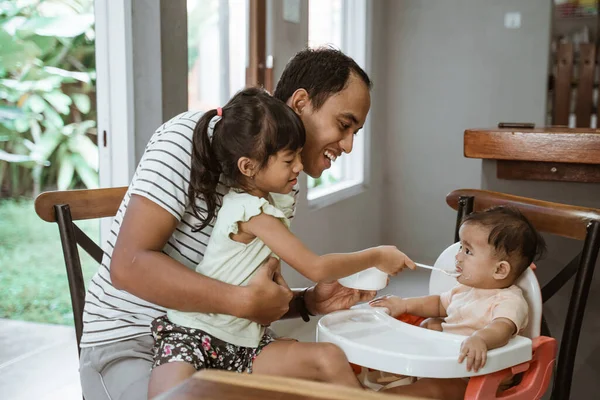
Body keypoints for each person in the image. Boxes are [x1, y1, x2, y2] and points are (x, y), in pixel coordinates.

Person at [79, 48, 380, 400]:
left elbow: (242, 292)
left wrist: (308, 303)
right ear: (300, 103)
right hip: (135, 341)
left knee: (331, 380)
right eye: (344, 125)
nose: (347, 145)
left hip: (225, 346)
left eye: (355, 132)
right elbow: (128, 267)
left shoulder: (279, 182)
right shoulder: (187, 140)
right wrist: (241, 302)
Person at [146, 87, 414, 397]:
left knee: (328, 357)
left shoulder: (276, 203)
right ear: (248, 167)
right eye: (289, 160)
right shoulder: (249, 210)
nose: (299, 167)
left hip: (244, 343)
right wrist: (377, 255)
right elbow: (315, 267)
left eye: (298, 156)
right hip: (192, 335)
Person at [369, 206, 546, 399]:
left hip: (475, 377)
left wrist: (481, 339)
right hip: (447, 366)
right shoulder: (465, 290)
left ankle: (392, 392)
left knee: (430, 390)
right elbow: (438, 304)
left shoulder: (508, 300)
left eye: (468, 251)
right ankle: (401, 376)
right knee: (431, 324)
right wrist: (404, 305)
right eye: (461, 247)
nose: (458, 256)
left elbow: (501, 328)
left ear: (500, 270)